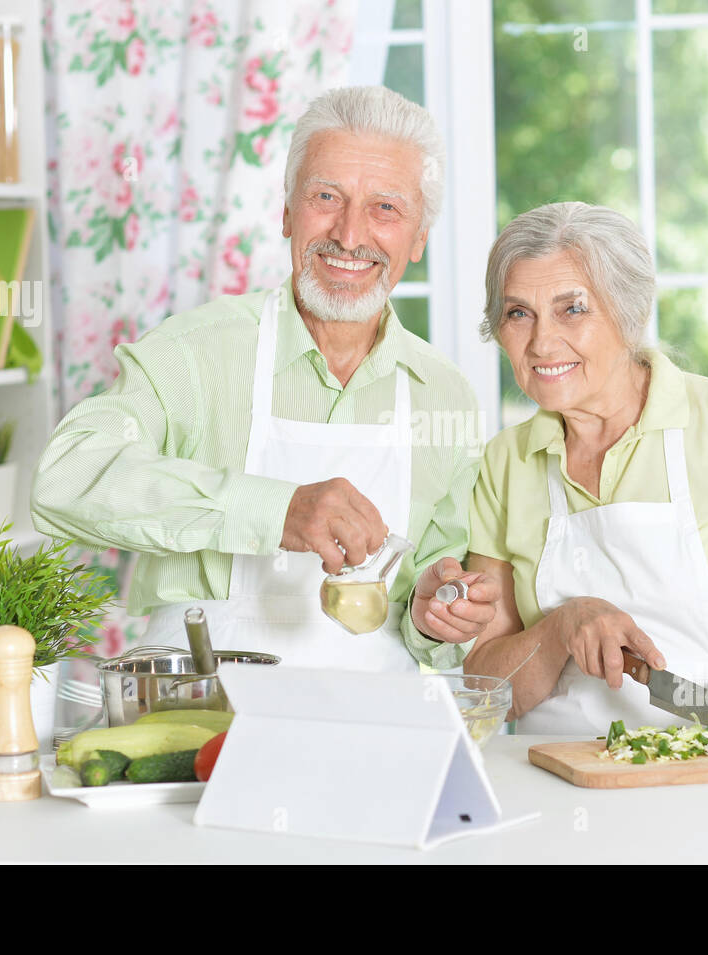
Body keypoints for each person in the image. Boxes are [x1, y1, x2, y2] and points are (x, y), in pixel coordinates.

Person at [30, 86, 498, 671]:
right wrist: (275, 511)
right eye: (327, 197)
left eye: (385, 208)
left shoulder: (443, 394)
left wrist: (437, 618)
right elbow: (63, 478)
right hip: (202, 723)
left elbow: (428, 602)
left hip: (371, 731)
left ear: (420, 237)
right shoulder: (194, 352)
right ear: (286, 210)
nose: (350, 235)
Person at [463, 202, 708, 746]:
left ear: (629, 313)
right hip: (564, 780)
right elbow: (487, 688)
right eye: (518, 313)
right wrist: (560, 629)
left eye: (572, 309)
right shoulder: (506, 462)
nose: (541, 342)